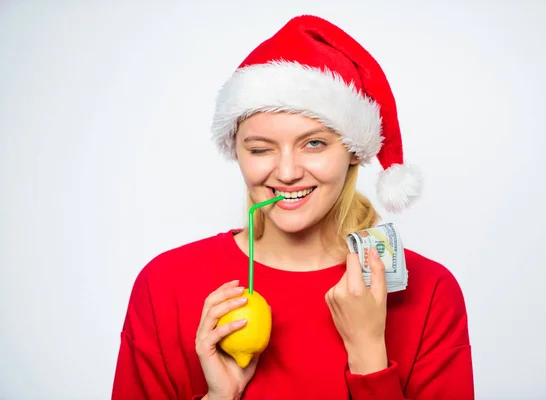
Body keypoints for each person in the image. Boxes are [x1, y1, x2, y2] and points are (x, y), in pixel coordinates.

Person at [112, 14, 474, 400]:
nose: (286, 173)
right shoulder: (166, 285)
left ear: (353, 151)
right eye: (260, 148)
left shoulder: (430, 292)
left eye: (314, 143)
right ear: (236, 152)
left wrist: (369, 355)